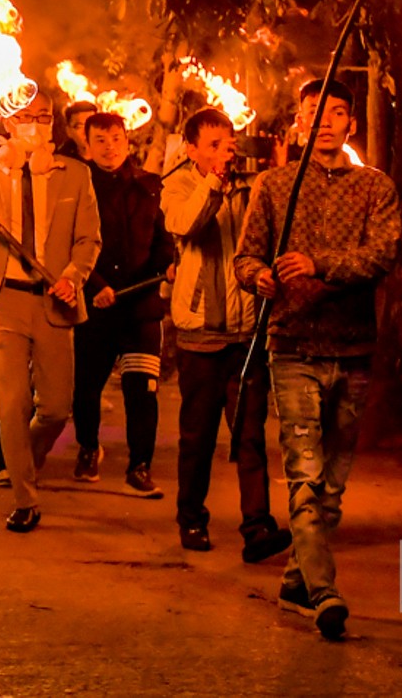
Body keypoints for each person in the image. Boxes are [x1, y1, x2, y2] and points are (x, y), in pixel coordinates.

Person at [235, 79, 401, 639]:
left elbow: (382, 254)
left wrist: (318, 263)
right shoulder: (275, 185)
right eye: (314, 112)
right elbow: (246, 255)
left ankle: (294, 579)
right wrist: (258, 276)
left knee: (333, 484)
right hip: (293, 346)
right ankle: (325, 590)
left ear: (351, 123)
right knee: (303, 475)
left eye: (335, 113)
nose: (325, 121)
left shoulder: (376, 188)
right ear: (300, 122)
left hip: (353, 347)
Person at [0, 90, 101, 533]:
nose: (36, 124)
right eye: (27, 117)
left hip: (54, 298)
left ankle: (23, 463)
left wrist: (72, 277)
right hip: (1, 298)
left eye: (45, 117)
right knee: (11, 404)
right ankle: (24, 497)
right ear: (7, 123)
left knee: (54, 407)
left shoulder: (74, 174)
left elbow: (89, 239)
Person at [162, 106, 290, 562]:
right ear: (192, 148)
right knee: (197, 435)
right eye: (212, 145)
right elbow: (186, 225)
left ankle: (257, 526)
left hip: (246, 330)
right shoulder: (177, 185)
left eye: (228, 142)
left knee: (250, 434)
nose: (224, 151)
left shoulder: (252, 187)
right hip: (200, 331)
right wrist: (214, 180)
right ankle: (191, 517)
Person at [72, 111, 174, 498]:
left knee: (142, 389)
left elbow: (163, 239)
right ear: (88, 144)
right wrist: (93, 284)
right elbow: (70, 240)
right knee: (86, 387)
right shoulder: (78, 186)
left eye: (116, 138)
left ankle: (140, 466)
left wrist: (168, 265)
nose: (109, 146)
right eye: (100, 139)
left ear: (127, 141)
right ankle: (87, 446)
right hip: (94, 307)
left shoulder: (150, 186)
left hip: (140, 308)